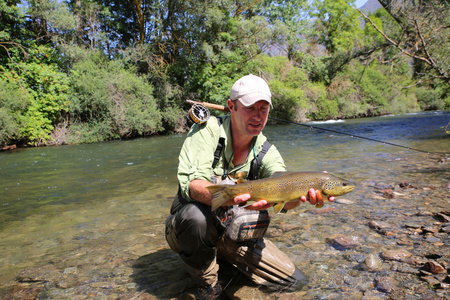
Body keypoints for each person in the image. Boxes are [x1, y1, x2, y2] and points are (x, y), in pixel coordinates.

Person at [165, 74, 334, 299]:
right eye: (250, 108)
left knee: (294, 282)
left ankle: (224, 255)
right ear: (231, 106)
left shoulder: (266, 151)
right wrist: (230, 196)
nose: (258, 116)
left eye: (263, 109)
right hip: (191, 228)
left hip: (235, 235)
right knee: (194, 217)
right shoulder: (207, 131)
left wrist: (305, 195)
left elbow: (285, 198)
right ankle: (206, 283)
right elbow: (193, 186)